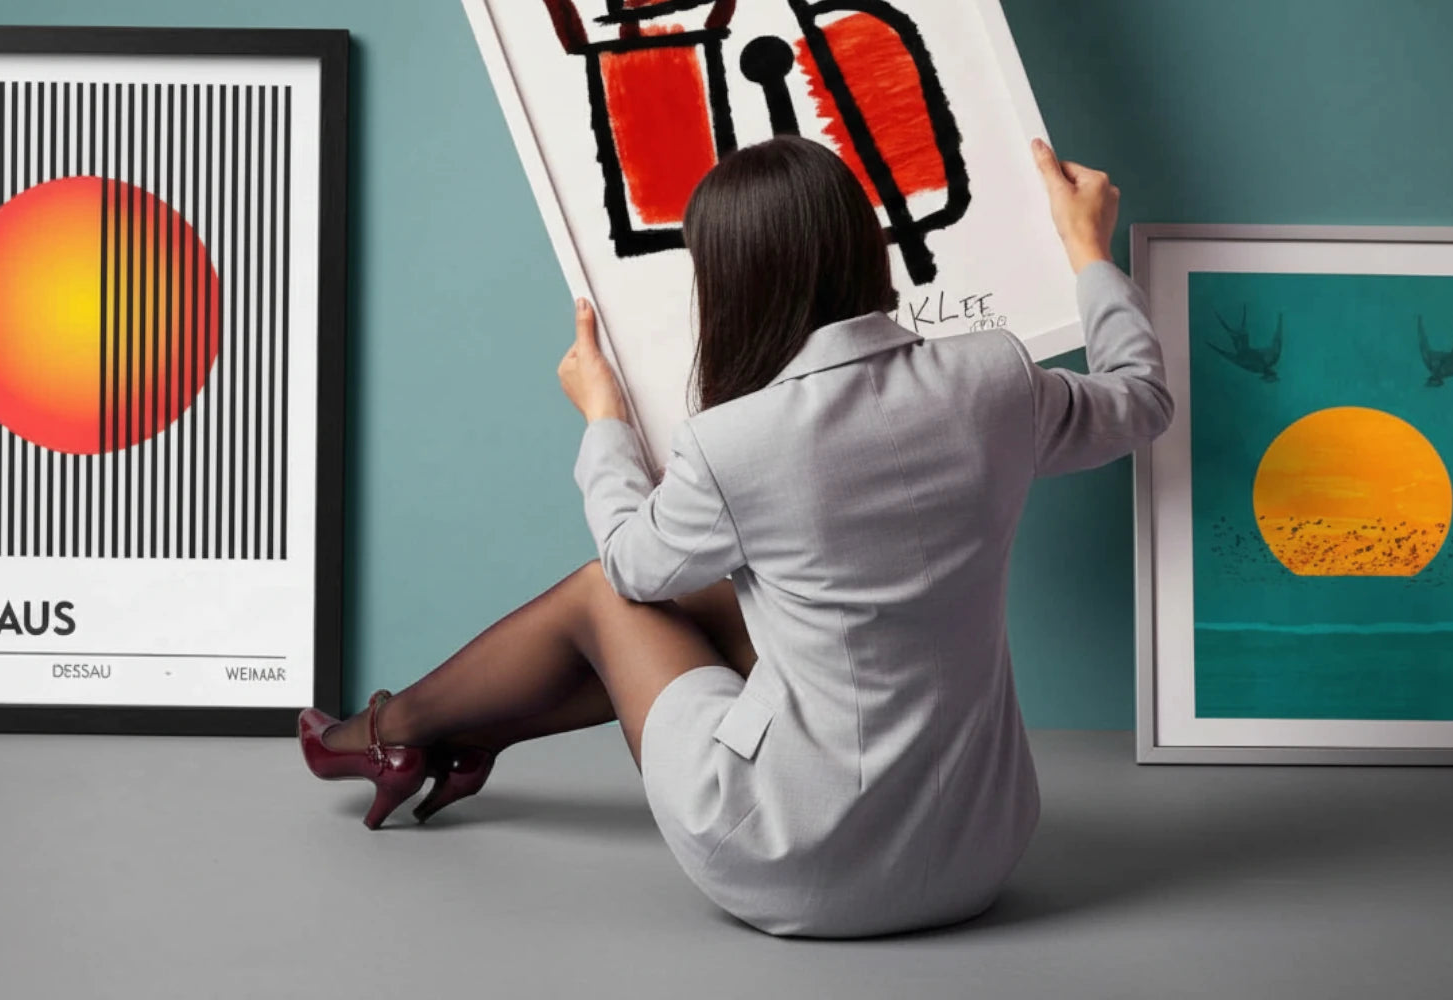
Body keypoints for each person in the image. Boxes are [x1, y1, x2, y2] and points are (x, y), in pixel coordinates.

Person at [299, 135, 1172, 938]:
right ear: (864, 246)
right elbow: (1140, 400)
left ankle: (401, 730)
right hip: (978, 851)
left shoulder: (737, 442)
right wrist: (1087, 249)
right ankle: (448, 730)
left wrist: (603, 421)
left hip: (799, 860)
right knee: (731, 591)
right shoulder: (994, 378)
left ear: (732, 282)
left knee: (607, 596)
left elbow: (630, 568)